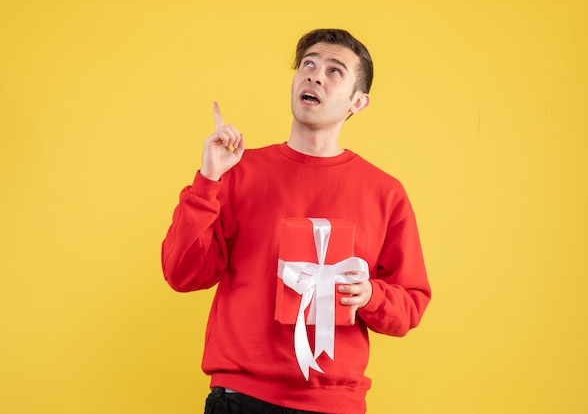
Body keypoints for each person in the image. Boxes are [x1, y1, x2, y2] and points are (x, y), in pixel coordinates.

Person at [161, 28, 431, 414]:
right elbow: (182, 274)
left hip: (335, 403)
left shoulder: (385, 192)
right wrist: (207, 181)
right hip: (241, 398)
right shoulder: (237, 171)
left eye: (334, 70)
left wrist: (371, 295)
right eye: (308, 64)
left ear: (358, 102)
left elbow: (411, 304)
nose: (315, 75)